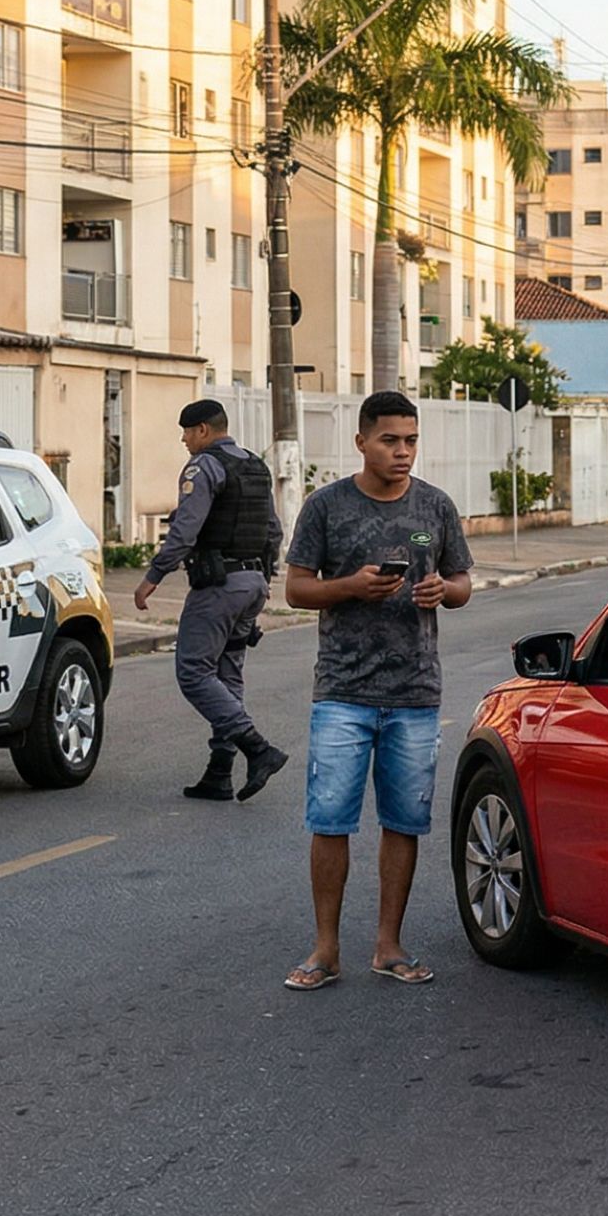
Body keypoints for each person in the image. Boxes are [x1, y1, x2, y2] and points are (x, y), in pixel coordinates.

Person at [279, 391, 473, 991]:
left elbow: (464, 580)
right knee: (330, 820)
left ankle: (389, 946)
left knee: (404, 822)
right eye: (390, 440)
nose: (403, 452)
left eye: (411, 440)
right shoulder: (326, 507)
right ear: (361, 441)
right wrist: (351, 587)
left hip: (415, 692)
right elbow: (295, 590)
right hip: (342, 691)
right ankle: (325, 949)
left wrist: (445, 590)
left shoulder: (435, 507)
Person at [134, 399, 289, 802]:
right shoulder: (255, 465)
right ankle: (219, 772)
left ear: (203, 429)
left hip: (219, 586)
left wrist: (152, 578)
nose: (184, 440)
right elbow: (273, 530)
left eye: (186, 431)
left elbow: (185, 531)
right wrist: (264, 577)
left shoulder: (204, 466)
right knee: (227, 672)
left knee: (193, 671)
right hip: (251, 584)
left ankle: (257, 748)